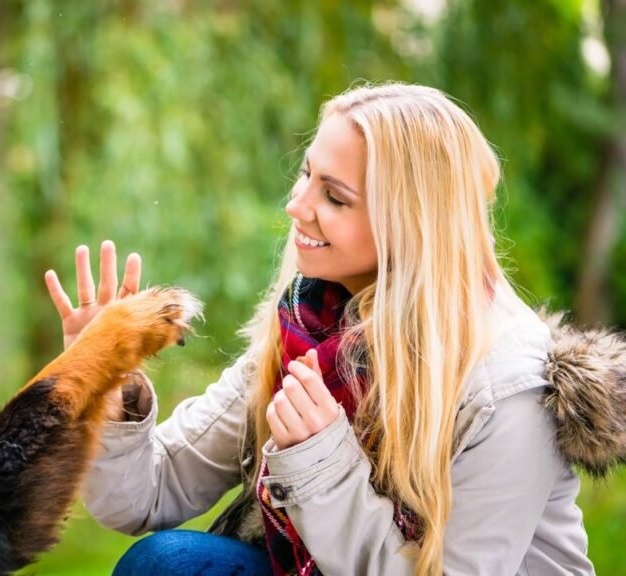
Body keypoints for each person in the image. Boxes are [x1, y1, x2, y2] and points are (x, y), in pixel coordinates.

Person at [44, 83, 623, 575]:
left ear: (410, 224)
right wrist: (106, 378)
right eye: (307, 174)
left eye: (335, 197)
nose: (297, 206)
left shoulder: (509, 388)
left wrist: (320, 462)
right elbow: (147, 493)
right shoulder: (314, 322)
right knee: (167, 563)